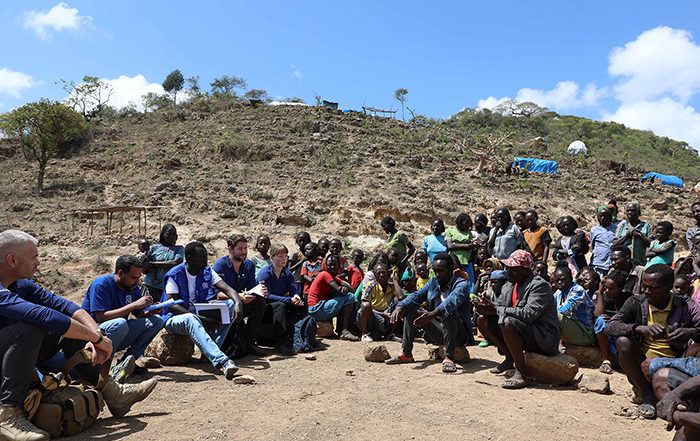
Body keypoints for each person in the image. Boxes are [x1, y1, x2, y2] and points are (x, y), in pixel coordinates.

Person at [0, 230, 157, 441]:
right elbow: (43, 315)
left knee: (72, 330)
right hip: (10, 356)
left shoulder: (21, 284)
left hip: (15, 358)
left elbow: (65, 306)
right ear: (12, 260)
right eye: (34, 257)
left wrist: (96, 333)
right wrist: (97, 340)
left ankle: (112, 392)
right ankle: (7, 415)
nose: (38, 263)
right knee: (30, 328)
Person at [606, 264, 700, 419]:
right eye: (644, 286)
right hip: (642, 364)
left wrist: (689, 332)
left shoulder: (685, 304)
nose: (646, 291)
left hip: (675, 364)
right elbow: (610, 326)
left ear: (668, 287)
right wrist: (639, 328)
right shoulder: (636, 302)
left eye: (652, 288)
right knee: (623, 342)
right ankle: (646, 395)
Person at [474, 250, 560, 389]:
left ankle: (522, 373)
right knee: (482, 320)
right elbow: (500, 306)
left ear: (525, 270)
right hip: (524, 331)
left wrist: (495, 309)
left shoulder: (539, 285)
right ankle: (510, 358)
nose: (508, 271)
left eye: (513, 269)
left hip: (543, 337)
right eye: (507, 268)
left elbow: (529, 314)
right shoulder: (509, 285)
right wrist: (485, 307)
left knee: (508, 322)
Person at [161, 241, 243, 379]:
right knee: (191, 319)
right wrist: (202, 319)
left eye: (206, 256)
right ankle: (222, 361)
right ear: (189, 257)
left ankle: (208, 352)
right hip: (175, 318)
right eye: (201, 257)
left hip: (198, 312)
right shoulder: (175, 275)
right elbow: (171, 305)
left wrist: (238, 302)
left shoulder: (207, 271)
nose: (205, 260)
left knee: (228, 304)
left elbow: (228, 289)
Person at [81, 255, 165, 383]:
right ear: (120, 273)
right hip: (95, 335)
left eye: (139, 277)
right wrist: (133, 305)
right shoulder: (101, 284)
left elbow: (138, 313)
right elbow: (101, 317)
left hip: (118, 332)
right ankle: (101, 368)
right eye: (133, 277)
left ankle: (126, 363)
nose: (137, 281)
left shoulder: (132, 286)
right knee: (120, 323)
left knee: (157, 321)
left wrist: (151, 311)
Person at [386, 253, 473, 373]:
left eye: (441, 271)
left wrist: (432, 314)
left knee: (448, 312)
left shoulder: (462, 284)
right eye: (435, 271)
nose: (437, 274)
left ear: (451, 269)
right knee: (411, 309)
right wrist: (400, 307)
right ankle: (406, 354)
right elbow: (416, 296)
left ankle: (449, 358)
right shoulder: (433, 282)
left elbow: (451, 302)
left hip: (459, 333)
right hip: (439, 329)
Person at [211, 234, 267, 357]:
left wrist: (258, 292)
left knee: (260, 303)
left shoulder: (249, 265)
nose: (244, 252)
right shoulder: (221, 265)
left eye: (245, 248)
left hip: (242, 301)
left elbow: (252, 287)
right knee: (232, 304)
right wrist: (239, 297)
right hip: (224, 304)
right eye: (240, 249)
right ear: (230, 249)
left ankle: (249, 343)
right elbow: (217, 294)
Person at [256, 244, 306, 355]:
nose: (284, 259)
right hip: (265, 308)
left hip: (281, 303)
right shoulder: (265, 274)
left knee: (302, 304)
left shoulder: (286, 272)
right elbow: (267, 295)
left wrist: (296, 296)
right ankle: (282, 342)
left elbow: (293, 288)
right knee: (280, 306)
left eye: (285, 256)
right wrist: (289, 300)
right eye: (280, 256)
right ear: (272, 258)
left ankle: (300, 336)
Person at [307, 254, 359, 341]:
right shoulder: (325, 274)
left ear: (339, 266)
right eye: (329, 264)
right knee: (349, 297)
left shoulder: (334, 277)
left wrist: (344, 286)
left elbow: (351, 289)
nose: (332, 267)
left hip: (317, 309)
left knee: (346, 297)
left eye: (334, 264)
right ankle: (344, 331)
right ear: (325, 266)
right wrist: (343, 288)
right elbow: (339, 290)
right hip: (316, 308)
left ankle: (341, 329)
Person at [594, 269, 634, 374]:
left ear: (621, 289)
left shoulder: (629, 298)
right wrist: (600, 293)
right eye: (606, 287)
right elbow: (599, 315)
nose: (607, 291)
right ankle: (605, 360)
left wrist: (614, 320)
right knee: (600, 321)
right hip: (607, 336)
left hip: (622, 335)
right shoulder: (603, 296)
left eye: (611, 289)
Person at [357, 264, 403, 342]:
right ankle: (365, 334)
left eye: (383, 272)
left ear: (388, 274)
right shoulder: (371, 285)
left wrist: (394, 280)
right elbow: (364, 306)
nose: (381, 275)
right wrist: (382, 314)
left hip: (385, 318)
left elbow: (401, 297)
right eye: (378, 273)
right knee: (366, 305)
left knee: (399, 302)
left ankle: (390, 334)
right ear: (375, 276)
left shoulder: (391, 286)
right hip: (372, 317)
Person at [551, 266, 596, 348]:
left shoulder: (578, 290)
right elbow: (549, 303)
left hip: (585, 332)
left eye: (563, 279)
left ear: (571, 278)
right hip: (573, 328)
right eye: (557, 281)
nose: (560, 282)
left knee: (555, 316)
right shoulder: (560, 292)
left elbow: (564, 310)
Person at [142, 224, 184, 299]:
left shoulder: (179, 249)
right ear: (163, 235)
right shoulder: (154, 248)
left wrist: (153, 264)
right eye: (168, 234)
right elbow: (144, 266)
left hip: (168, 287)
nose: (171, 236)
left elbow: (175, 263)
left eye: (173, 234)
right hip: (150, 285)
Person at [613, 202, 653, 266]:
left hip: (640, 263)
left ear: (638, 213)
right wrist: (627, 236)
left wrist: (640, 235)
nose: (630, 213)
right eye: (628, 210)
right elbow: (614, 244)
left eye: (633, 210)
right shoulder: (621, 226)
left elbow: (652, 244)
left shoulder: (646, 226)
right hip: (624, 264)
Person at [445, 213, 476, 286]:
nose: (468, 225)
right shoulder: (450, 231)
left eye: (469, 223)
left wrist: (457, 244)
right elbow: (450, 246)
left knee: (468, 282)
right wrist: (466, 246)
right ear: (460, 222)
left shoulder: (469, 233)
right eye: (466, 223)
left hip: (466, 261)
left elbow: (471, 246)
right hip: (454, 263)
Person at [589, 206, 618, 279]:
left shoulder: (616, 229)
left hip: (612, 263)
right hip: (598, 262)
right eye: (600, 216)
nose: (602, 218)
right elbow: (592, 245)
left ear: (609, 217)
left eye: (605, 216)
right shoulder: (594, 230)